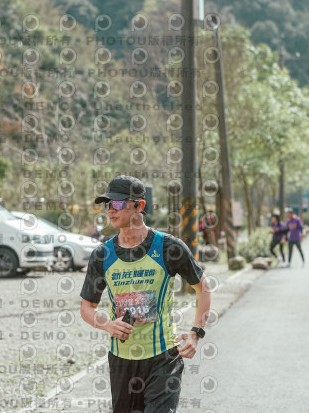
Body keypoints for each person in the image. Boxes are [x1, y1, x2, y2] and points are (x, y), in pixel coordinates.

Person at [80, 175, 211, 413]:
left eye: (117, 203)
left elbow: (203, 288)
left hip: (163, 357)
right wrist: (108, 325)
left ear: (139, 205)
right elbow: (87, 307)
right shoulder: (102, 254)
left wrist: (196, 334)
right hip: (121, 360)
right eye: (107, 204)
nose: (110, 210)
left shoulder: (169, 247)